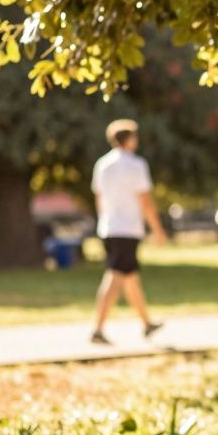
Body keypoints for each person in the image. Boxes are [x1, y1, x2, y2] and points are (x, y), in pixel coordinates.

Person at [90, 119, 167, 345]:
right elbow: (145, 201)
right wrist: (158, 230)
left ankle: (146, 323)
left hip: (109, 227)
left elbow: (99, 198)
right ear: (129, 139)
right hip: (127, 229)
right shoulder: (136, 165)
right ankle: (98, 329)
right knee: (115, 276)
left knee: (130, 278)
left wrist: (105, 220)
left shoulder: (102, 164)